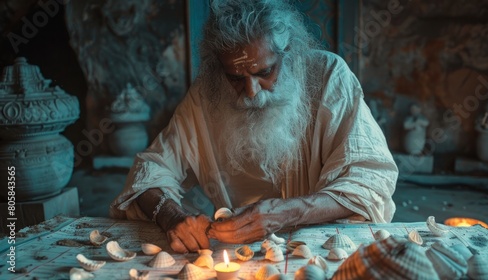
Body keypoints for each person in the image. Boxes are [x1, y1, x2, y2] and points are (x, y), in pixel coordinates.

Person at [110, 0, 398, 253]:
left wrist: (285, 214)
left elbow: (370, 181)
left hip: (324, 249)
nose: (251, 92)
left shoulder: (329, 77)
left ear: (289, 53)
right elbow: (149, 172)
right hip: (239, 255)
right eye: (235, 77)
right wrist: (171, 217)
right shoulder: (207, 93)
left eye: (264, 72)